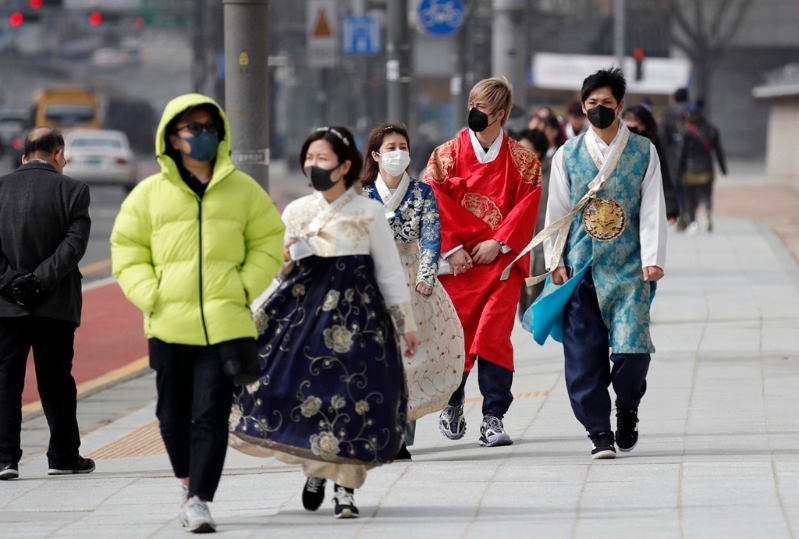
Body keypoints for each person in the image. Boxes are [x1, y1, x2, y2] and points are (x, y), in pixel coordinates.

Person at [111, 94, 285, 533]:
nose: (203, 135)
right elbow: (127, 250)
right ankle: (186, 483)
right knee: (171, 416)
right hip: (169, 324)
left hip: (225, 326)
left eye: (210, 127)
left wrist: (244, 286)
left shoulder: (244, 189)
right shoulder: (149, 193)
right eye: (193, 129)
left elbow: (269, 241)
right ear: (173, 138)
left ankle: (199, 499)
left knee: (211, 414)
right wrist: (152, 294)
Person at [228, 126, 420, 520]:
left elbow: (387, 272)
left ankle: (345, 490)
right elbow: (279, 272)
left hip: (360, 319)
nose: (313, 165)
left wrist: (406, 324)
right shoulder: (296, 211)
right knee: (304, 394)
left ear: (345, 165)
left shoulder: (368, 212)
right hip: (304, 320)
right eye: (309, 158)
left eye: (322, 159)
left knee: (352, 400)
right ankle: (316, 468)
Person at [522, 68, 667, 459]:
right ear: (583, 108)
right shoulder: (567, 155)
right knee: (583, 356)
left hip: (629, 268)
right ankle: (598, 431)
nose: (599, 110)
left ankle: (628, 407)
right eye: (592, 105)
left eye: (607, 104)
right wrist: (555, 260)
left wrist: (653, 259)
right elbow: (556, 211)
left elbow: (652, 208)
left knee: (633, 352)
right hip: (581, 268)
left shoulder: (643, 151)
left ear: (620, 105)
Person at [423, 77, 542, 447]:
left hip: (501, 264)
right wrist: (452, 246)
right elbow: (432, 201)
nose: (474, 113)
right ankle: (453, 401)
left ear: (501, 114)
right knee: (455, 335)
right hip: (458, 265)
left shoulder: (523, 161)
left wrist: (500, 241)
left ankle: (493, 416)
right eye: (472, 106)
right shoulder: (445, 156)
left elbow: (527, 206)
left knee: (493, 336)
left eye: (482, 109)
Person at [361, 123, 465, 461]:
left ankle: (400, 436)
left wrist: (426, 277)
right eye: (390, 147)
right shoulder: (360, 195)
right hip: (372, 281)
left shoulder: (422, 193)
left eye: (402, 146)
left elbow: (431, 239)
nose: (398, 153)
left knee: (409, 361)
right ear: (376, 155)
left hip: (411, 280)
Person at [0, 127, 93, 481]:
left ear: (25, 155)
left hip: (5, 305)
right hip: (56, 304)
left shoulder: (1, 187)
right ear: (58, 154)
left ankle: (5, 458)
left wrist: (10, 282)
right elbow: (74, 245)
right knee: (55, 379)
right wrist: (40, 281)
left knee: (6, 378)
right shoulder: (73, 190)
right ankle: (63, 455)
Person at [622, 104, 680, 222]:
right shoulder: (617, 143)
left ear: (643, 125)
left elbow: (664, 175)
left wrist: (670, 209)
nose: (628, 125)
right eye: (625, 120)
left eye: (633, 121)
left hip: (646, 202)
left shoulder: (651, 146)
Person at [677, 101, 727, 234]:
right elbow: (719, 151)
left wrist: (677, 171)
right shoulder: (712, 129)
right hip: (707, 169)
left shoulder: (685, 130)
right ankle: (708, 213)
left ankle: (693, 223)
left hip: (689, 170)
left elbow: (680, 152)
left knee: (690, 198)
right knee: (706, 194)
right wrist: (723, 168)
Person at [516, 129, 551, 319]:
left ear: (538, 152)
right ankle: (523, 310)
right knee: (520, 270)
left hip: (543, 230)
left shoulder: (551, 172)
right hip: (521, 233)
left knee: (539, 269)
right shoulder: (515, 173)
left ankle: (534, 312)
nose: (519, 152)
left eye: (525, 148)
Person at [659, 87, 689, 227]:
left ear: (674, 98)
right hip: (691, 156)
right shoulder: (693, 111)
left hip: (672, 155)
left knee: (675, 186)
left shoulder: (669, 112)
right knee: (690, 187)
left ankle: (680, 212)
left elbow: (663, 135)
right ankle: (689, 212)